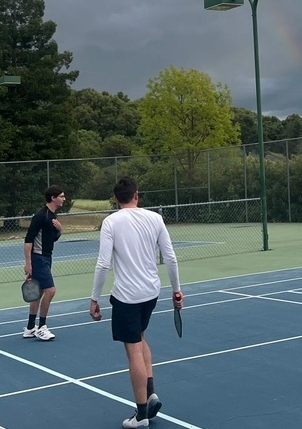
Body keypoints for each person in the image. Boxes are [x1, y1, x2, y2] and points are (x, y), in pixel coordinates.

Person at [90, 177, 182, 429]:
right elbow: (171, 258)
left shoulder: (110, 222)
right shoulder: (155, 218)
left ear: (116, 198)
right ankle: (150, 395)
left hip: (127, 297)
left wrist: (94, 298)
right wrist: (176, 291)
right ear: (136, 195)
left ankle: (141, 414)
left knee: (132, 350)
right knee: (140, 338)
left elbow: (102, 264)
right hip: (151, 293)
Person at [23, 185, 65, 341]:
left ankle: (29, 328)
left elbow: (52, 238)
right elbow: (28, 240)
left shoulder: (53, 217)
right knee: (50, 291)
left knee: (38, 292)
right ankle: (41, 327)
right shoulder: (40, 216)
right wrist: (28, 263)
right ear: (53, 198)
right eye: (61, 196)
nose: (64, 199)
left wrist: (60, 230)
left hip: (47, 257)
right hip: (38, 258)